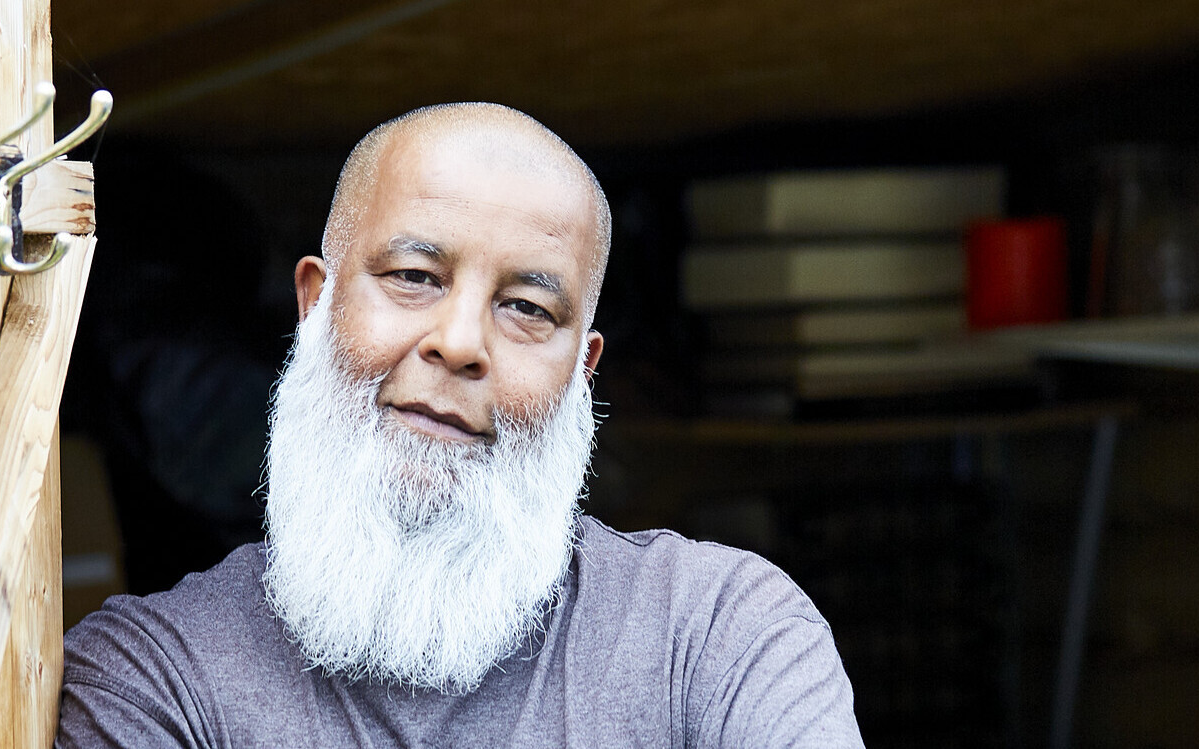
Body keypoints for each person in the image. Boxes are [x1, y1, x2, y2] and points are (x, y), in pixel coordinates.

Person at [53, 103, 865, 747]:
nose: (461, 342)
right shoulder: (155, 676)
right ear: (315, 306)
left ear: (581, 372)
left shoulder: (717, 635)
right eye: (414, 276)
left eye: (525, 307)